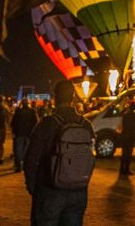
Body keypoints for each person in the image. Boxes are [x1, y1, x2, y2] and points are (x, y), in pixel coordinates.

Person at [24, 79, 95, 226]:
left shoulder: (48, 123)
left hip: (50, 189)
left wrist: (33, 187)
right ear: (73, 98)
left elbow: (31, 159)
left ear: (55, 97)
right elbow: (91, 158)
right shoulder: (86, 124)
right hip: (78, 191)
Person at [12, 98, 39, 173]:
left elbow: (13, 122)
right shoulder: (32, 111)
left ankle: (18, 166)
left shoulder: (18, 112)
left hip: (19, 133)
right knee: (27, 150)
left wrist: (14, 132)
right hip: (29, 134)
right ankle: (25, 165)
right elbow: (36, 122)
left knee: (18, 150)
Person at [119, 100, 135, 176]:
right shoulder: (134, 116)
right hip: (130, 136)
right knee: (129, 154)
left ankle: (122, 169)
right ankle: (126, 169)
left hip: (124, 135)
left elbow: (124, 125)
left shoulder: (125, 115)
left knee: (124, 154)